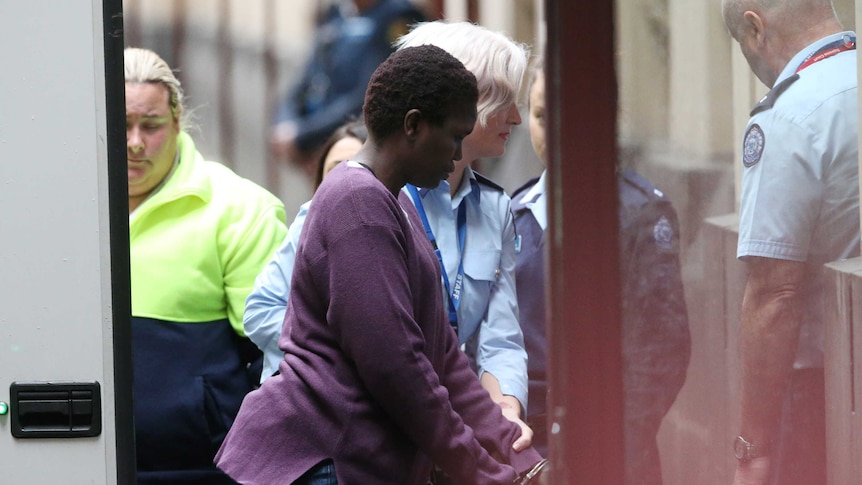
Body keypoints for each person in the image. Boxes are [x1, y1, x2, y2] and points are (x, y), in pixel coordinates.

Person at [215, 44, 546, 484]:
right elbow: (397, 368)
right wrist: (481, 469)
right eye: (452, 136)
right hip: (324, 460)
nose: (456, 153)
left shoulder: (392, 204)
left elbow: (443, 356)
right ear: (412, 125)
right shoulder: (358, 205)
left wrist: (514, 450)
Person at [513, 60, 691, 481]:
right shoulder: (515, 212)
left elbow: (663, 351)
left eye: (567, 116)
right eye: (540, 117)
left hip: (611, 445)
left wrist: (617, 447)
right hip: (527, 449)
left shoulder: (641, 212)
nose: (553, 131)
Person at [125, 47, 288, 484]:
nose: (135, 142)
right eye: (121, 125)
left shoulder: (242, 209)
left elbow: (276, 353)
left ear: (178, 122)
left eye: (152, 125)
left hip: (203, 467)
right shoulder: (54, 207)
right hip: (74, 452)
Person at [720, 1, 858, 483]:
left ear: (754, 29)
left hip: (827, 391)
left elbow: (774, 294)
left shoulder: (789, 116)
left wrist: (751, 450)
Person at [393, 20, 531, 429]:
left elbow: (500, 337)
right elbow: (273, 310)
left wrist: (504, 413)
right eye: (505, 100)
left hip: (451, 425)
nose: (518, 118)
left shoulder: (495, 207)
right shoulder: (369, 198)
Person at [245, 118, 368, 382]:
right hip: (306, 387)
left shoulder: (400, 226)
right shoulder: (308, 223)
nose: (346, 180)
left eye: (358, 169)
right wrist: (326, 351)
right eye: (335, 170)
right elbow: (259, 310)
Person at [270, 0, 425, 177]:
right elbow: (307, 77)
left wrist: (303, 136)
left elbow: (371, 93)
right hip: (316, 142)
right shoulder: (335, 13)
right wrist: (286, 126)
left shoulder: (398, 16)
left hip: (357, 141)